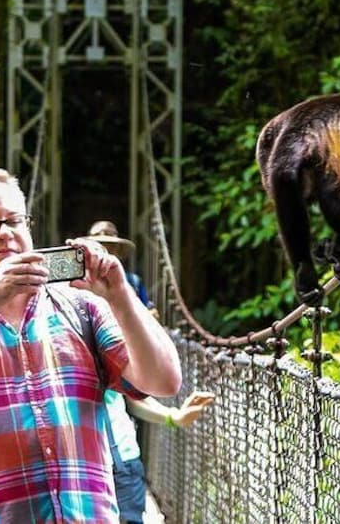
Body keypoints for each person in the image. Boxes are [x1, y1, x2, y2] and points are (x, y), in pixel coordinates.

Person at [0, 169, 182, 523]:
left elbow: (166, 382)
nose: (5, 233)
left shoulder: (84, 308)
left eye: (14, 220)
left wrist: (121, 297)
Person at [84, 220, 216, 524]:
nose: (104, 252)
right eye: (97, 246)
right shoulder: (68, 308)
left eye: (110, 247)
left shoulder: (128, 282)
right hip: (82, 469)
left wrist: (174, 416)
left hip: (122, 461)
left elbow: (133, 392)